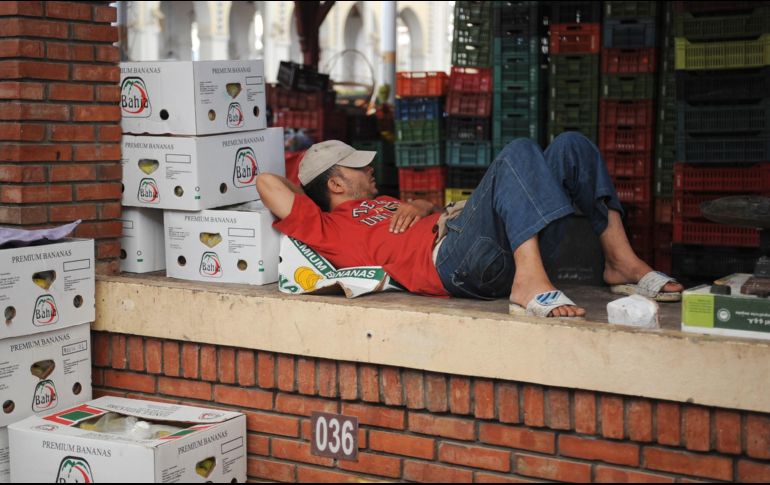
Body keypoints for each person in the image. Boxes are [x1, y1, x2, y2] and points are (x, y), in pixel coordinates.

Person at [256, 134, 683, 318]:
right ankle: (529, 283)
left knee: (573, 147)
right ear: (334, 182)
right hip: (456, 266)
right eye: (355, 166)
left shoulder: (385, 202)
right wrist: (311, 189)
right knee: (517, 150)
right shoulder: (323, 226)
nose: (370, 167)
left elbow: (453, 213)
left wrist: (423, 206)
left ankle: (621, 263)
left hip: (479, 245)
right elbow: (267, 182)